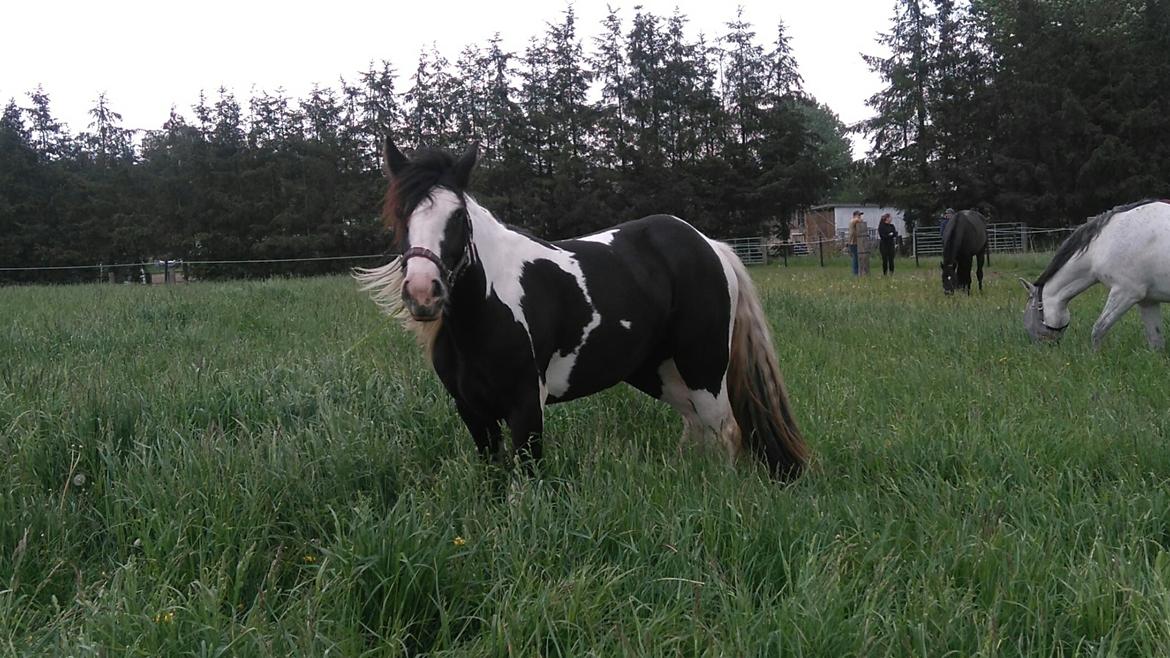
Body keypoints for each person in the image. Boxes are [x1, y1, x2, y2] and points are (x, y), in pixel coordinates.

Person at [846, 210, 864, 276]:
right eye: (858, 215)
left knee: (857, 257)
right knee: (855, 258)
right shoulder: (853, 221)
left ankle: (857, 272)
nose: (859, 216)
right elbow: (859, 220)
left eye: (860, 215)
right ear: (854, 215)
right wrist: (860, 219)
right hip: (853, 242)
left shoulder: (854, 221)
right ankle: (855, 273)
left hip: (855, 242)